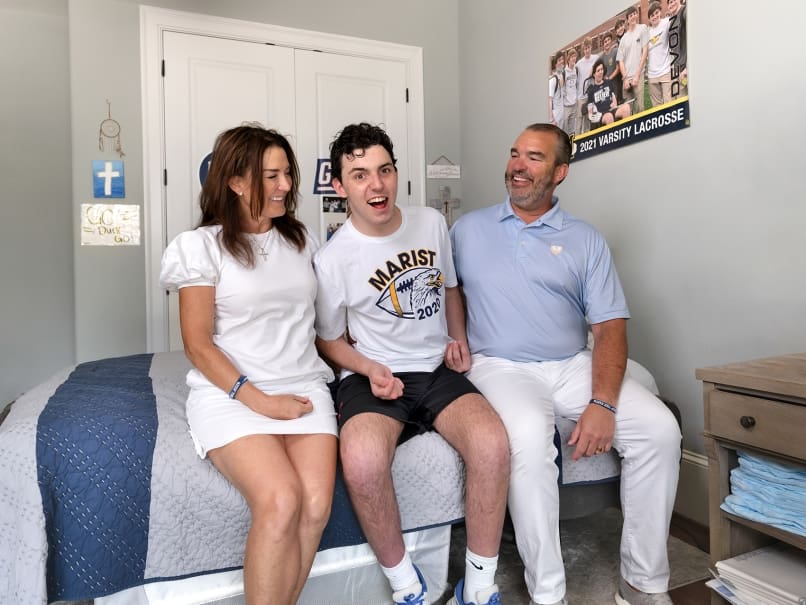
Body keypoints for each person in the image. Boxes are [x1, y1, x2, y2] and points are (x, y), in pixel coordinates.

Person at [450, 123, 681, 605]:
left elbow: (610, 328)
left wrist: (602, 402)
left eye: (534, 158)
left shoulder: (585, 239)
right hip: (500, 365)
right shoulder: (467, 230)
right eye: (514, 154)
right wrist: (452, 340)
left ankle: (643, 584)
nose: (518, 165)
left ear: (560, 172)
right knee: (530, 440)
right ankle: (549, 593)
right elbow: (446, 294)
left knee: (660, 430)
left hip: (572, 363)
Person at [314, 122, 510, 605]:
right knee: (361, 462)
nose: (375, 185)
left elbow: (448, 287)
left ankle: (480, 587)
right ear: (340, 187)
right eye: (359, 175)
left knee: (493, 445)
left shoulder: (430, 222)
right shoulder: (332, 259)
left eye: (383, 171)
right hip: (375, 375)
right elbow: (328, 341)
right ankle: (406, 585)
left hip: (435, 369)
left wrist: (458, 337)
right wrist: (367, 369)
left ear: (396, 173)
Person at [159, 124, 338, 605]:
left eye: (287, 174)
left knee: (316, 506)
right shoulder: (201, 247)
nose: (285, 186)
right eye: (272, 176)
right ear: (236, 182)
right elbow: (198, 345)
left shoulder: (304, 242)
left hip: (303, 386)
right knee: (280, 500)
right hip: (233, 392)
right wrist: (262, 402)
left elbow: (326, 327)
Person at [617, 6, 649, 113]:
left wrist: (637, 75)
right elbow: (620, 60)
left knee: (640, 108)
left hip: (638, 76)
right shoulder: (623, 39)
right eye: (631, 15)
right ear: (627, 20)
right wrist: (625, 79)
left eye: (635, 13)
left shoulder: (643, 28)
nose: (634, 16)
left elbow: (645, 52)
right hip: (627, 79)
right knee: (627, 111)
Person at [586, 58, 631, 126]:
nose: (601, 72)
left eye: (602, 69)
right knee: (609, 117)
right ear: (594, 74)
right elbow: (590, 112)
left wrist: (614, 103)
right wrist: (594, 114)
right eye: (598, 70)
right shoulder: (591, 90)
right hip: (602, 115)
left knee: (626, 107)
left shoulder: (608, 82)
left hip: (612, 110)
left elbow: (614, 98)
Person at [647, 1, 673, 107]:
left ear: (660, 12)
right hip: (652, 75)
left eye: (656, 13)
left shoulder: (667, 22)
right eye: (652, 15)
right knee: (657, 108)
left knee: (669, 104)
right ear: (649, 18)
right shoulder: (646, 32)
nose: (655, 16)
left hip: (666, 71)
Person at [575, 38, 599, 134]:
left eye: (588, 48)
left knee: (587, 122)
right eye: (585, 49)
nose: (587, 50)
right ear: (583, 50)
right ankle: (576, 143)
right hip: (581, 97)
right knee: (579, 122)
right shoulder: (579, 64)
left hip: (591, 96)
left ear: (591, 47)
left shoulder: (596, 58)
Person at [667, 0, 688, 98]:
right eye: (669, 3)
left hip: (687, 69)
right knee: (681, 102)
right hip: (677, 70)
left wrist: (688, 68)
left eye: (673, 1)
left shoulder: (685, 12)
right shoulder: (671, 21)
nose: (671, 4)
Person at [601, 31, 623, 104]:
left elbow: (618, 68)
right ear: (603, 44)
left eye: (608, 40)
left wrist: (609, 78)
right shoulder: (601, 57)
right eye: (605, 41)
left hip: (616, 83)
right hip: (606, 86)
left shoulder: (615, 51)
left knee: (617, 103)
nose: (607, 43)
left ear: (611, 40)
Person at [561, 48, 579, 136]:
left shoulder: (576, 70)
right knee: (565, 129)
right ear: (568, 59)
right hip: (566, 105)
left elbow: (577, 85)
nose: (574, 58)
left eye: (575, 56)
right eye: (572, 57)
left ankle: (572, 146)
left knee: (572, 130)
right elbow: (561, 89)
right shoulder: (564, 72)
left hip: (574, 104)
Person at [548, 53, 565, 129]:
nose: (562, 61)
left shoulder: (561, 75)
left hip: (561, 115)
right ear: (555, 64)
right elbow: (549, 100)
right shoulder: (553, 80)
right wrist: (552, 119)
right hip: (555, 117)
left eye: (562, 59)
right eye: (559, 60)